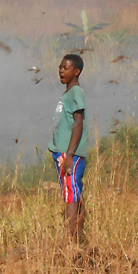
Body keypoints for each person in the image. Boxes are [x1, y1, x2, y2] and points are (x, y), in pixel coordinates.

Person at [48, 53, 89, 242]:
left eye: (66, 68)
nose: (61, 70)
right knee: (71, 190)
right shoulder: (67, 94)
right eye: (60, 67)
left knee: (70, 194)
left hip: (69, 153)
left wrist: (70, 154)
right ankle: (79, 231)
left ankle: (71, 239)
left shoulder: (76, 93)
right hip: (62, 151)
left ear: (77, 71)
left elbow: (78, 123)